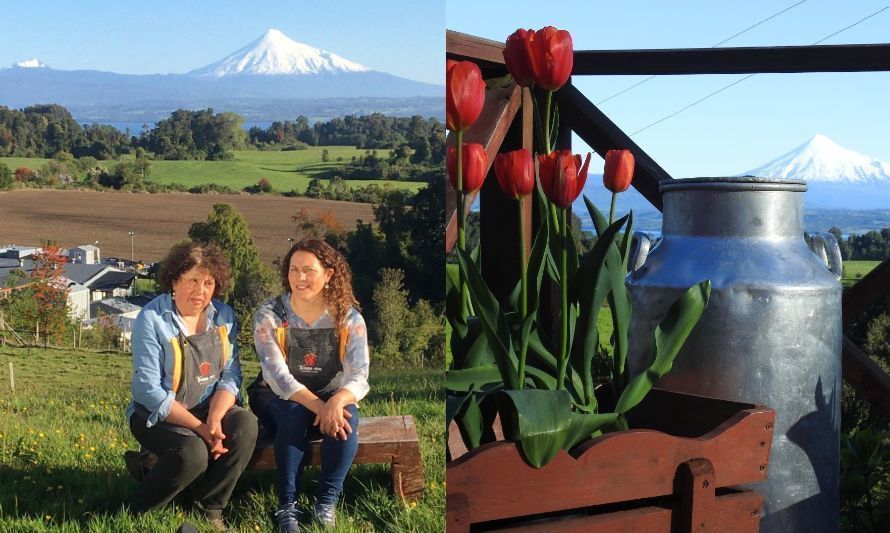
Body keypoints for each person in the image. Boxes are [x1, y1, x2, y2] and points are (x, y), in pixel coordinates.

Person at [125, 241, 258, 531]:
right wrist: (200, 429)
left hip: (207, 408)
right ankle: (137, 509)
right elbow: (148, 390)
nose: (200, 291)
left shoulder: (224, 316)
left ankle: (209, 507)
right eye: (193, 281)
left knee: (246, 426)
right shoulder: (152, 319)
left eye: (208, 282)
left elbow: (231, 375)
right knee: (193, 453)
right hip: (157, 415)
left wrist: (213, 419)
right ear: (174, 281)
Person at [248, 239, 369, 533]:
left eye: (308, 270)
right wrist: (320, 407)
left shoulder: (349, 318)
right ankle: (287, 506)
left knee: (346, 420)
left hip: (331, 393)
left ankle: (326, 502)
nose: (299, 278)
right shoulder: (270, 315)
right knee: (295, 414)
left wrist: (337, 403)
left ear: (328, 274)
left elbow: (359, 373)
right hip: (274, 395)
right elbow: (278, 376)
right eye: (294, 270)